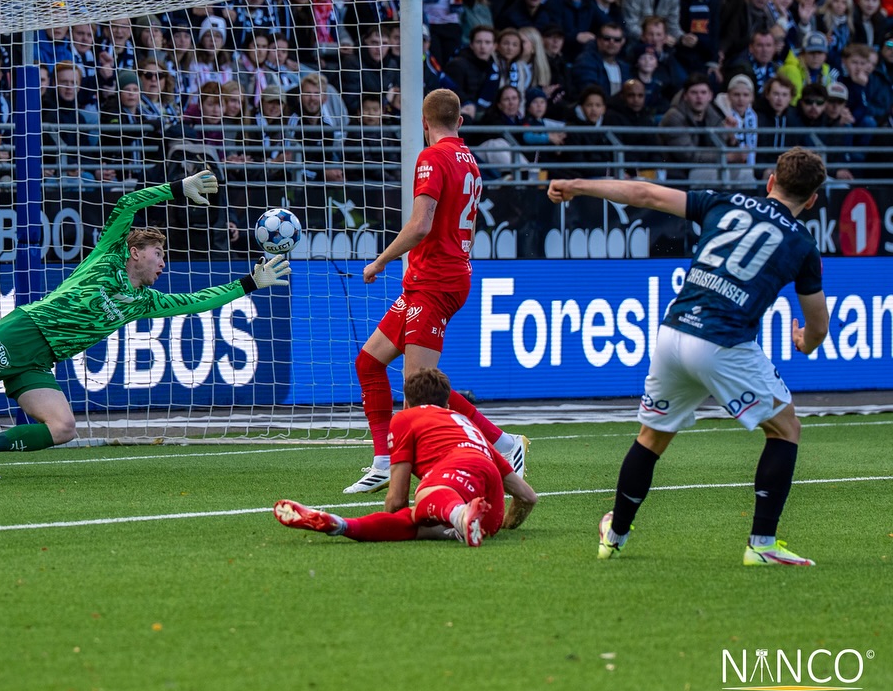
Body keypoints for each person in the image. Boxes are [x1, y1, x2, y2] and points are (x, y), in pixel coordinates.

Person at [0, 171, 292, 478]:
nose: (162, 264)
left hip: (42, 358)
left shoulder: (144, 302)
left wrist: (250, 282)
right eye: (158, 255)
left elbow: (196, 301)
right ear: (136, 252)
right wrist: (177, 188)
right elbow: (129, 202)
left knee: (63, 428)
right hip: (26, 329)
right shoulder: (107, 258)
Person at [547, 146, 829, 566]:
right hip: (723, 342)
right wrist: (807, 341)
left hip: (673, 333)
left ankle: (615, 534)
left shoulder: (722, 201)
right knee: (786, 428)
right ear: (812, 200)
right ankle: (762, 545)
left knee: (652, 437)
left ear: (771, 181)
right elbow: (818, 322)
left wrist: (578, 185)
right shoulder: (803, 245)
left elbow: (645, 194)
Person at [344, 88, 527, 494]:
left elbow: (421, 224)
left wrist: (380, 261)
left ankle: (500, 446)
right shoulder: (470, 160)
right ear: (459, 122)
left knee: (420, 388)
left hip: (435, 280)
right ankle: (383, 460)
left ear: (424, 123)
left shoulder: (432, 157)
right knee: (369, 363)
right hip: (436, 276)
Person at [276, 368, 538, 546]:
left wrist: (403, 516)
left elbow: (397, 498)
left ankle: (458, 514)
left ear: (409, 403)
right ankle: (341, 525)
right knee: (428, 528)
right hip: (489, 506)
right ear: (448, 405)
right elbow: (527, 497)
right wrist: (504, 525)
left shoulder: (404, 418)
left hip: (452, 473)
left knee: (422, 502)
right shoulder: (466, 424)